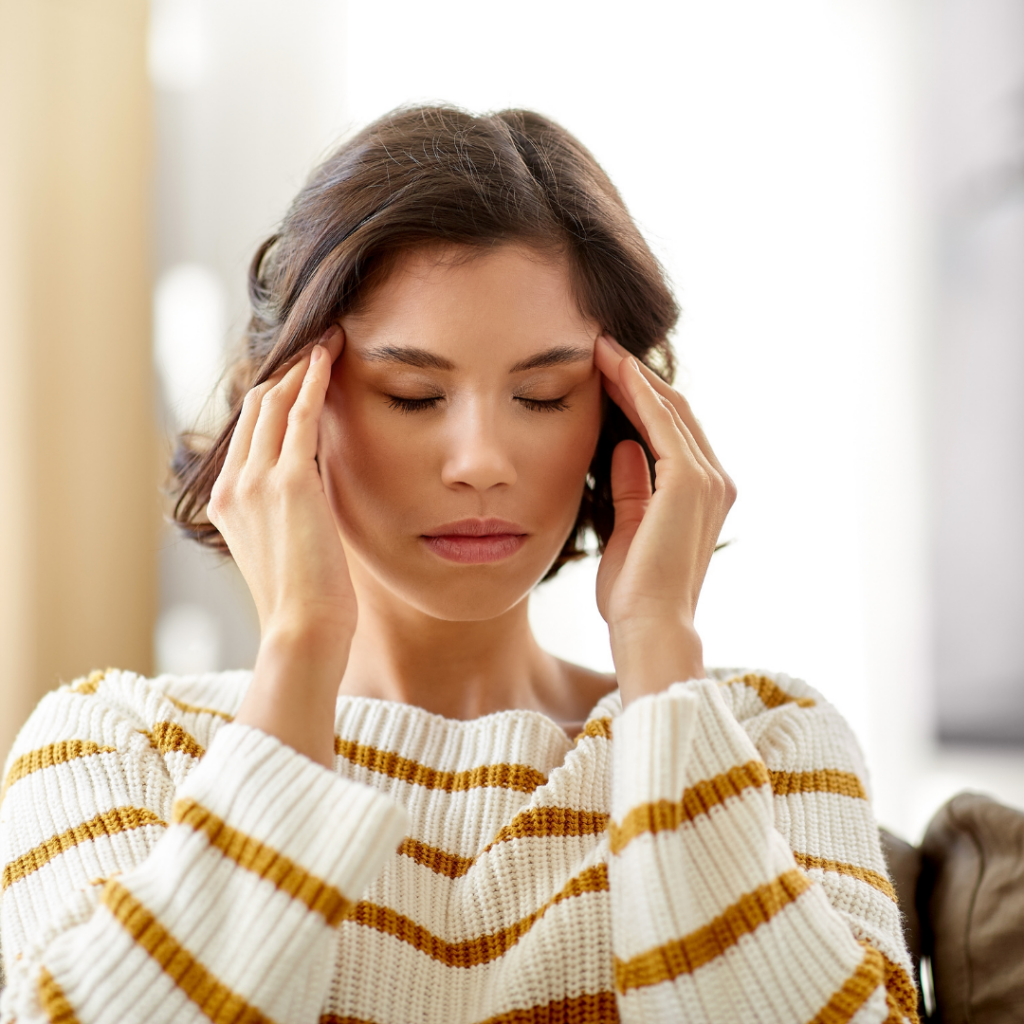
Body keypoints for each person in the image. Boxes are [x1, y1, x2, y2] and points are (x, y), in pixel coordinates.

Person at [0, 106, 917, 1024]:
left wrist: (658, 651)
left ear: (620, 414)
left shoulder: (768, 738)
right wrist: (304, 646)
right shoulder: (118, 745)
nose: (482, 457)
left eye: (541, 394)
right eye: (413, 395)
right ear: (288, 412)